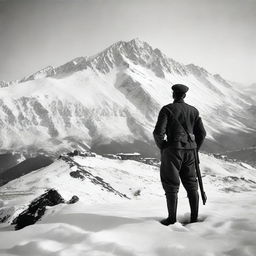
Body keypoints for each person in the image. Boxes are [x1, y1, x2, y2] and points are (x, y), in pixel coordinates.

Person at [153, 84, 206, 225]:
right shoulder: (194, 111)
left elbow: (158, 133)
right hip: (190, 152)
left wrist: (163, 147)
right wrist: (195, 148)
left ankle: (171, 219)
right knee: (191, 184)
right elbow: (202, 133)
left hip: (173, 151)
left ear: (173, 95)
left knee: (171, 184)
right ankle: (194, 218)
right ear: (185, 95)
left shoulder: (167, 109)